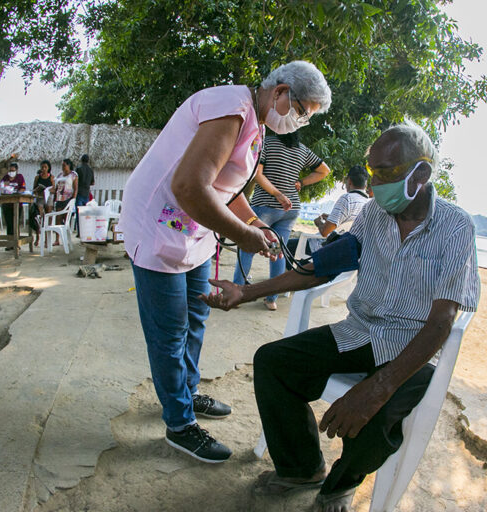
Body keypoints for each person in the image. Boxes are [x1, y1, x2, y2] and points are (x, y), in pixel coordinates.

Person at [202, 123, 480, 511]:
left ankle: (338, 487)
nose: (374, 183)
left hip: (412, 346)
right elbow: (321, 269)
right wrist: (246, 292)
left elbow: (440, 322)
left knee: (378, 418)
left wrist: (377, 387)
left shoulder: (456, 227)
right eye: (370, 173)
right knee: (273, 362)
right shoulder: (372, 213)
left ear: (421, 174)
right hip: (359, 330)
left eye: (384, 173)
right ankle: (301, 468)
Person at [119, 60, 331, 464]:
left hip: (194, 230)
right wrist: (245, 235)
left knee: (197, 317)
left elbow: (225, 187)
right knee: (169, 330)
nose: (302, 122)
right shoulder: (230, 107)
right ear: (281, 92)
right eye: (303, 111)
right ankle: (179, 424)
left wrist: (253, 221)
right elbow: (188, 185)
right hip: (159, 225)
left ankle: (187, 390)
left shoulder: (255, 124)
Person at [232, 131, 330, 310]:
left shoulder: (266, 143)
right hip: (290, 209)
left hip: (265, 205)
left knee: (247, 247)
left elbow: (257, 174)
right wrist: (302, 182)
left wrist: (277, 194)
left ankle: (238, 293)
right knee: (278, 251)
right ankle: (271, 299)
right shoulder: (303, 150)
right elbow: (324, 170)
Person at [286, 164, 370, 262]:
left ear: (349, 181)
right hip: (346, 249)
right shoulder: (368, 203)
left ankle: (300, 271)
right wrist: (331, 218)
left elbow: (325, 232)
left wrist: (318, 222)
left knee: (284, 247)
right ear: (365, 184)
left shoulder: (347, 199)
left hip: (323, 248)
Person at [0, 162, 27, 250]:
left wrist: (17, 192)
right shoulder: (6, 178)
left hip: (17, 204)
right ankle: (10, 243)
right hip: (7, 204)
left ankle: (16, 243)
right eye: (10, 170)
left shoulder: (20, 177)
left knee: (16, 224)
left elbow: (23, 188)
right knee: (9, 224)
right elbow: (3, 188)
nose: (11, 172)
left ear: (16, 170)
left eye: (13, 170)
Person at [52, 158, 78, 246]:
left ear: (69, 165)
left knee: (66, 219)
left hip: (68, 199)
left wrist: (73, 200)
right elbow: (56, 188)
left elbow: (75, 188)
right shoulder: (59, 175)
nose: (63, 167)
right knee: (58, 219)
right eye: (62, 165)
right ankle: (57, 239)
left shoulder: (73, 175)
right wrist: (54, 199)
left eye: (64, 165)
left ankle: (66, 240)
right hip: (59, 199)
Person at [30, 160, 55, 246]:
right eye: (42, 167)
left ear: (48, 168)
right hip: (40, 198)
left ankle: (46, 240)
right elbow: (33, 189)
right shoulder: (37, 177)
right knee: (38, 218)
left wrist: (48, 190)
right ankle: (37, 238)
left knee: (47, 218)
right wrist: (37, 190)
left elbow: (54, 189)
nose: (44, 169)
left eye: (45, 167)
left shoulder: (51, 177)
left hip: (48, 198)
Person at [75, 154, 95, 235]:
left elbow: (75, 180)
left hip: (79, 193)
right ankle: (85, 232)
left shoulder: (78, 169)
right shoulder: (91, 170)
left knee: (79, 214)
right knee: (85, 215)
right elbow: (93, 182)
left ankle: (79, 232)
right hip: (86, 194)